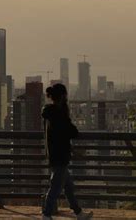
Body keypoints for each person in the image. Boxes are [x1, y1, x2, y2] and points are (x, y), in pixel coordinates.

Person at [41, 83, 93, 220]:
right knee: (55, 188)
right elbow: (72, 132)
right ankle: (46, 215)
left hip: (54, 153)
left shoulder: (49, 113)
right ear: (63, 96)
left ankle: (78, 213)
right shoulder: (58, 114)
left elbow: (58, 135)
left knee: (68, 187)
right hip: (60, 156)